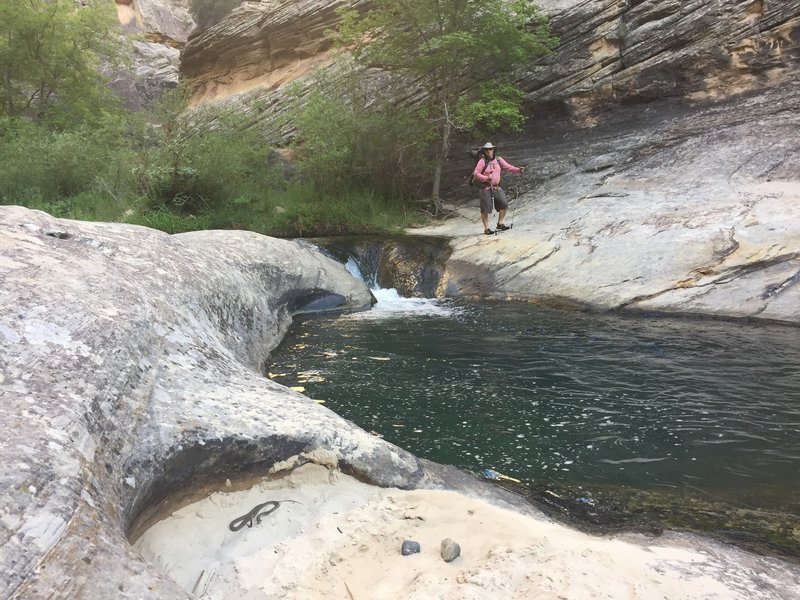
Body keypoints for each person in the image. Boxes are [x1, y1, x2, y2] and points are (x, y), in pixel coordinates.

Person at [472, 142, 525, 235]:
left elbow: (508, 167)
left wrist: (518, 170)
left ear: (493, 149)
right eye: (487, 149)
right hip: (485, 188)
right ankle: (486, 228)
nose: (489, 151)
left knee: (503, 204)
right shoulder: (482, 161)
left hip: (496, 187)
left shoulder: (498, 160)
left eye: (490, 149)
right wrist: (486, 178)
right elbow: (476, 174)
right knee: (485, 209)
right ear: (484, 150)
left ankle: (499, 224)